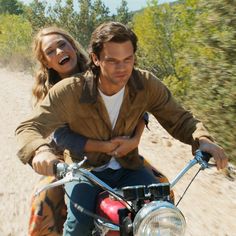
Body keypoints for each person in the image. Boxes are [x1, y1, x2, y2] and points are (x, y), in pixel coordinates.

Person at [16, 22, 228, 236]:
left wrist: (202, 139)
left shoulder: (145, 84)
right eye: (112, 60)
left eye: (128, 59)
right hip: (84, 169)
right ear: (95, 59)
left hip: (129, 165)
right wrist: (41, 151)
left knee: (163, 211)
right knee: (78, 223)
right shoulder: (69, 90)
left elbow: (180, 118)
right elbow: (29, 126)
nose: (122, 68)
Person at [27, 26, 150, 235]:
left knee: (162, 199)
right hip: (77, 162)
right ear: (45, 61)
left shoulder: (104, 69)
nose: (59, 52)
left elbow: (140, 106)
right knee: (70, 219)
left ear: (73, 47)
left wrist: (135, 140)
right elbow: (62, 136)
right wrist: (103, 146)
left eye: (62, 45)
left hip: (123, 152)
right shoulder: (52, 93)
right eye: (50, 52)